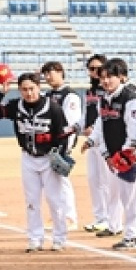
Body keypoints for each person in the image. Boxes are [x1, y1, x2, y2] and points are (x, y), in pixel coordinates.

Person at [0, 72, 77, 251]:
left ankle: (59, 238)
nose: (28, 93)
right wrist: (2, 93)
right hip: (28, 158)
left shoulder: (53, 108)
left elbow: (62, 134)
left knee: (55, 200)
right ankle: (35, 238)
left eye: (32, 88)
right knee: (32, 201)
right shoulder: (17, 106)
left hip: (48, 159)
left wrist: (59, 154)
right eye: (24, 89)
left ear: (39, 87)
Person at [85, 58, 136, 250]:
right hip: (115, 156)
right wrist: (104, 152)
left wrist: (127, 154)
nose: (105, 81)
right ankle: (135, 233)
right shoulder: (104, 99)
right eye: (103, 77)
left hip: (131, 157)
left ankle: (134, 234)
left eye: (110, 77)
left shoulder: (130, 99)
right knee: (125, 196)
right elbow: (102, 126)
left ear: (121, 77)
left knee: (133, 197)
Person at [40, 61, 82, 232]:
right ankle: (59, 214)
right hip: (48, 143)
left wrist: (65, 147)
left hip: (61, 143)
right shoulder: (48, 94)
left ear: (60, 72)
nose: (48, 77)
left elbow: (71, 124)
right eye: (45, 74)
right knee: (51, 181)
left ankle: (70, 216)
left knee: (62, 180)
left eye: (50, 73)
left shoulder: (69, 96)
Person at [81, 54, 114, 235]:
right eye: (92, 69)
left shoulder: (108, 90)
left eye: (98, 69)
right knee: (94, 179)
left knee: (106, 180)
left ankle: (110, 218)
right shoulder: (90, 91)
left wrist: (94, 129)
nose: (95, 72)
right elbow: (87, 113)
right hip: (92, 140)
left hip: (105, 139)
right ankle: (100, 217)